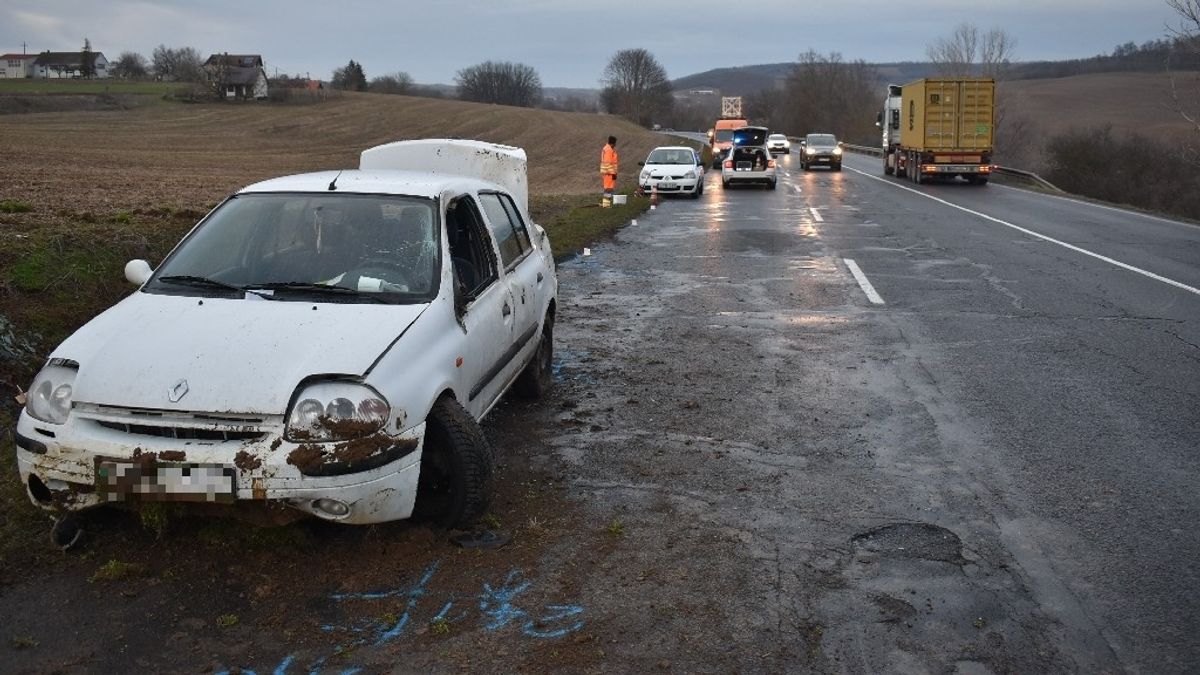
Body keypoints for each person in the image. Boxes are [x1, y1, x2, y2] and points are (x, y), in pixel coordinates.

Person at [600, 135, 618, 207]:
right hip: (609, 173)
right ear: (613, 143)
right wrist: (613, 173)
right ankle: (606, 205)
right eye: (615, 143)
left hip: (608, 173)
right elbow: (608, 163)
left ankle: (606, 204)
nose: (615, 145)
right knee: (608, 189)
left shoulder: (607, 148)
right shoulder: (608, 150)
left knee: (609, 188)